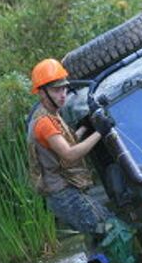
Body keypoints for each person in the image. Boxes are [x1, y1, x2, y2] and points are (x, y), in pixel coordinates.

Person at [27, 58, 116, 236]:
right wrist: (100, 132)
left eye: (64, 88)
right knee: (111, 231)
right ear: (42, 93)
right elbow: (68, 154)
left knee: (102, 233)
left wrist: (86, 126)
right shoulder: (44, 122)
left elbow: (66, 143)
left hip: (68, 192)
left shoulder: (51, 114)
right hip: (64, 195)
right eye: (56, 90)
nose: (62, 94)